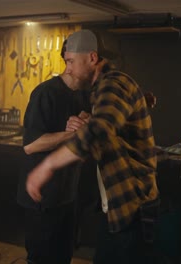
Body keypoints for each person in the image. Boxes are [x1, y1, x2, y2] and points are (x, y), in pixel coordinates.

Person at [26, 29, 160, 264]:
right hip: (119, 207)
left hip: (131, 205)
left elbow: (99, 131)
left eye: (70, 61)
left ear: (92, 58)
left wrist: (47, 165)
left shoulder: (112, 83)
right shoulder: (101, 89)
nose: (67, 68)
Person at [16, 39, 93, 264]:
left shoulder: (83, 93)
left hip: (67, 195)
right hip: (42, 198)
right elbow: (30, 145)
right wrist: (70, 133)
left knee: (63, 257)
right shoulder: (45, 93)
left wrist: (86, 120)